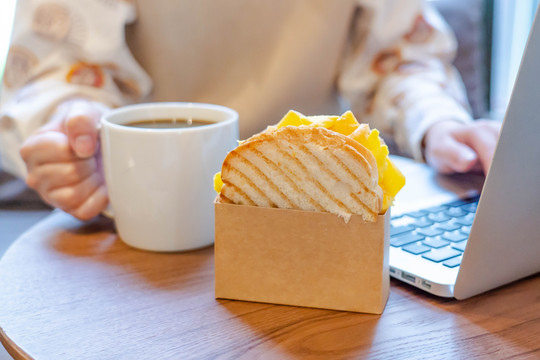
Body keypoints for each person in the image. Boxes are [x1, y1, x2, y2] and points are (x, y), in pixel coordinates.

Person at [0, 0, 501, 220]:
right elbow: (57, 66)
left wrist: (438, 124)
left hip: (319, 209)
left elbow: (398, 58)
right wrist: (73, 132)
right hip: (149, 211)